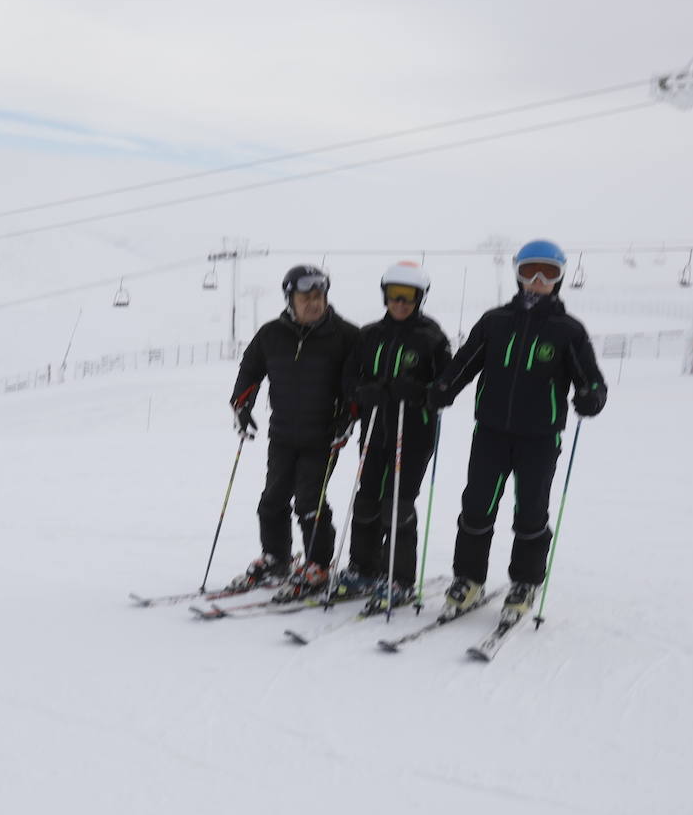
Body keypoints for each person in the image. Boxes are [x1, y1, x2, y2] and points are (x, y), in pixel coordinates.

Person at [427, 240, 607, 621]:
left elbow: (590, 378)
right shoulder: (495, 322)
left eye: (547, 273)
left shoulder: (568, 331)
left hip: (540, 438)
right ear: (518, 274)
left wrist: (592, 395)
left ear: (558, 279)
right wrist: (444, 388)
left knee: (531, 510)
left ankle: (525, 581)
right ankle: (468, 580)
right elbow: (465, 362)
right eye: (529, 272)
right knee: (477, 506)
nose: (537, 281)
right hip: (490, 432)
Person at [228, 264, 361, 599]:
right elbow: (251, 367)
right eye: (306, 297)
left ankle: (318, 563)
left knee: (309, 501)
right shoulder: (273, 333)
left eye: (319, 296)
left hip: (323, 436)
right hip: (283, 433)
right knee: (272, 499)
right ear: (291, 298)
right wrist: (242, 405)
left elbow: (355, 384)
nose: (314, 303)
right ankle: (277, 558)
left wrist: (347, 417)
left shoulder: (345, 335)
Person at [332, 262, 452, 611]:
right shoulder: (369, 335)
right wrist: (361, 392)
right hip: (374, 430)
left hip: (413, 433)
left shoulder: (432, 338)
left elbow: (446, 386)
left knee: (397, 504)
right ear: (385, 295)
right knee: (367, 499)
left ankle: (398, 579)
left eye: (408, 297)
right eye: (393, 295)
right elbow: (348, 378)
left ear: (420, 298)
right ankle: (363, 569)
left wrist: (419, 391)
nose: (400, 303)